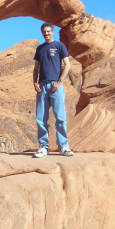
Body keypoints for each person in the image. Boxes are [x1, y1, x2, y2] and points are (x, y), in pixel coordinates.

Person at [33, 23, 74, 157]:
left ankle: (63, 146)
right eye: (44, 32)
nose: (46, 33)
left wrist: (59, 82)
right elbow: (36, 68)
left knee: (60, 117)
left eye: (48, 31)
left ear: (52, 32)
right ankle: (43, 147)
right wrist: (35, 82)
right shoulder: (40, 49)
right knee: (41, 118)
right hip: (42, 87)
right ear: (42, 33)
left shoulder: (59, 46)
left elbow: (67, 65)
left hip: (56, 86)